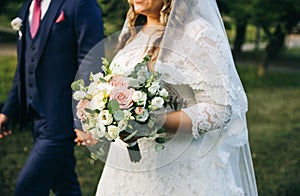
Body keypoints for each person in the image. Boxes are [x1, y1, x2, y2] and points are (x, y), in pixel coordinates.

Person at [75, 0, 258, 195]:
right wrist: (101, 120)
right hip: (125, 172)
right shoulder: (132, 34)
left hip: (181, 172)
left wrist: (156, 121)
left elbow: (220, 109)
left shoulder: (198, 34)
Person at [0, 0, 104, 195]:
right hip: (36, 118)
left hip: (61, 120)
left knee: (27, 188)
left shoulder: (80, 4)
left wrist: (85, 116)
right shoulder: (27, 8)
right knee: (65, 186)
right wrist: (7, 111)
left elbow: (91, 62)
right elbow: (23, 68)